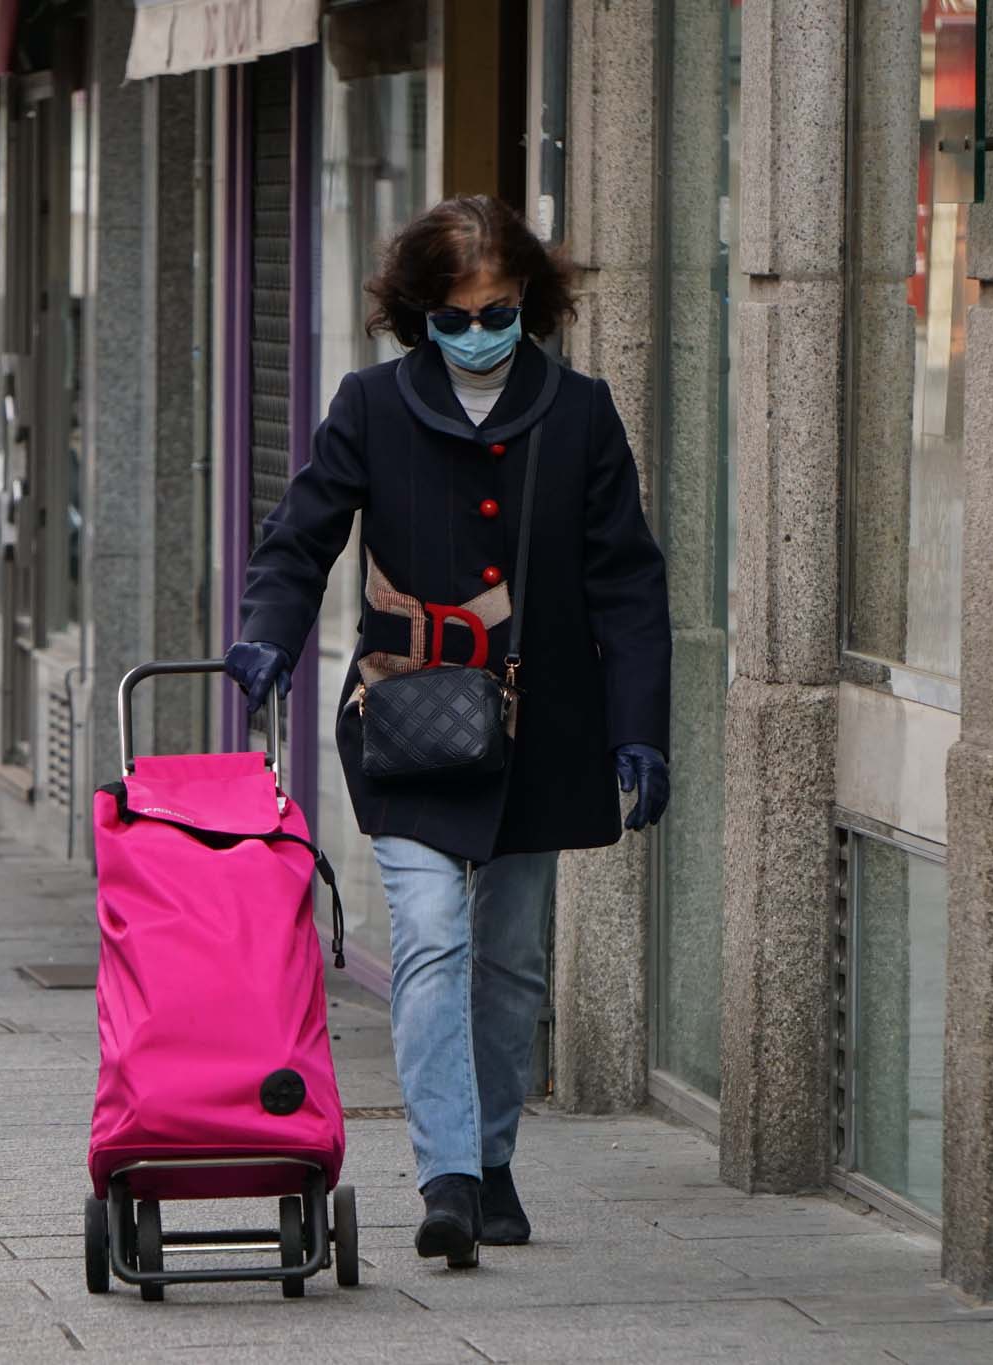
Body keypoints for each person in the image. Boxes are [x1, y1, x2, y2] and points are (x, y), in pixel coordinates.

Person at [227, 195, 673, 1269]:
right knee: (429, 936)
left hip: (544, 727)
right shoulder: (371, 405)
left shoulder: (579, 413)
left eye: (501, 311)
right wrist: (265, 639)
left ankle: (490, 1151)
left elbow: (626, 583)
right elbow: (300, 538)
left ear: (533, 305)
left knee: (511, 961)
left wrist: (637, 728)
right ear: (417, 314)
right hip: (409, 718)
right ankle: (447, 1179)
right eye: (457, 316)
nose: (479, 333)